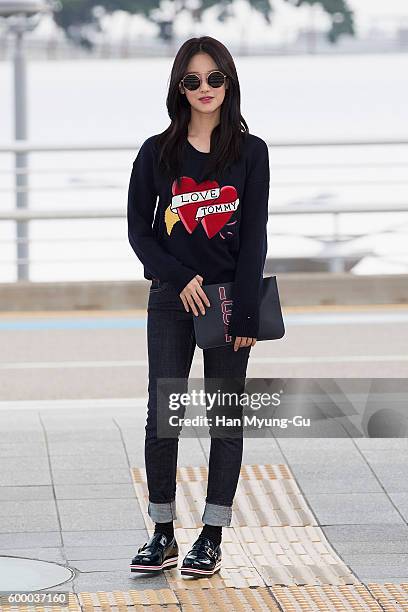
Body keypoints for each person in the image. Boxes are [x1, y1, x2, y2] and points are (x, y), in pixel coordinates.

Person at [127, 35, 270, 578]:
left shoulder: (250, 153)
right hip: (170, 299)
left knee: (224, 419)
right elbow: (141, 231)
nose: (205, 88)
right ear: (178, 87)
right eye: (193, 80)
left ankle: (210, 536)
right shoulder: (156, 152)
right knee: (163, 418)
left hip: (231, 302)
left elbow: (253, 236)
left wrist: (248, 314)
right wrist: (179, 277)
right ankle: (162, 532)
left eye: (215, 78)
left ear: (229, 82)